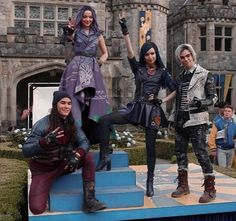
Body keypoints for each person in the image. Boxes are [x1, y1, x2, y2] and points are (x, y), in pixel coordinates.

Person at [96, 15, 176, 198]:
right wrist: (125, 32)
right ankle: (105, 155)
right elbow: (130, 52)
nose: (150, 56)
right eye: (147, 54)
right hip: (135, 108)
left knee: (150, 147)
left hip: (153, 112)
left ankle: (149, 182)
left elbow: (175, 90)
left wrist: (162, 101)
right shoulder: (138, 69)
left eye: (152, 53)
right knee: (105, 120)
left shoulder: (163, 72)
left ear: (156, 54)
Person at [22, 91, 106, 215]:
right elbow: (26, 150)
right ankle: (42, 187)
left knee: (87, 157)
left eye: (69, 103)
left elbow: (84, 142)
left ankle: (90, 201)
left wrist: (77, 155)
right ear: (55, 105)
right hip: (43, 171)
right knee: (37, 209)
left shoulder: (72, 123)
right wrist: (45, 142)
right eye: (63, 103)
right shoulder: (42, 124)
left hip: (65, 165)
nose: (66, 106)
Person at [170, 43, 218, 203]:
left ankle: (210, 189)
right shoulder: (179, 77)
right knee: (180, 154)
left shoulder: (205, 74)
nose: (185, 59)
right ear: (179, 60)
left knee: (201, 154)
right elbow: (177, 102)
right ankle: (183, 186)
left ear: (192, 55)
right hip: (180, 121)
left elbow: (214, 98)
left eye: (187, 56)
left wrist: (201, 102)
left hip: (197, 120)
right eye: (182, 57)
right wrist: (172, 119)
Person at [59, 5, 111, 145]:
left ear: (93, 18)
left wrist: (100, 61)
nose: (87, 19)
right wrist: (69, 30)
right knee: (74, 100)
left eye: (90, 17)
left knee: (95, 101)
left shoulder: (98, 34)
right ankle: (74, 137)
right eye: (84, 16)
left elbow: (106, 53)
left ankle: (95, 136)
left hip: (93, 69)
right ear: (80, 18)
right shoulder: (75, 32)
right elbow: (67, 40)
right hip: (76, 68)